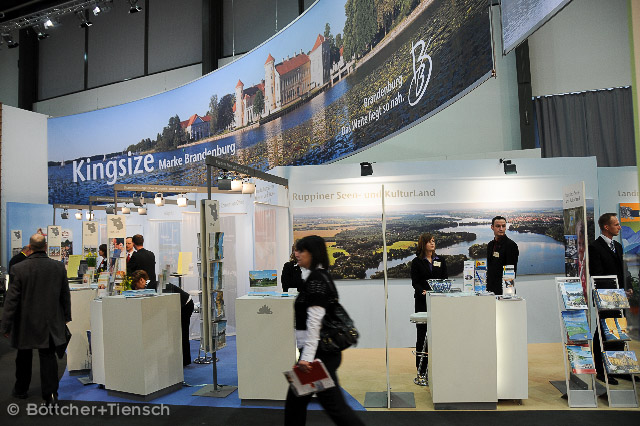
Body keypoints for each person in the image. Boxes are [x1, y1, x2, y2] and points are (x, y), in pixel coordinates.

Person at [284, 235, 364, 426]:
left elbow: (315, 323)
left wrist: (306, 358)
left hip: (318, 355)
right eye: (297, 250)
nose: (297, 254)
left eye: (302, 250)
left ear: (313, 253)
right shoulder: (318, 276)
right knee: (298, 404)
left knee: (335, 409)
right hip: (320, 354)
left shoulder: (317, 280)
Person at [1, 234, 71, 405]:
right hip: (50, 321)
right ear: (46, 246)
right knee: (48, 357)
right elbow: (64, 295)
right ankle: (50, 395)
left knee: (23, 356)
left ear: (30, 247)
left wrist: (6, 325)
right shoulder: (58, 267)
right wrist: (66, 317)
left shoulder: (18, 268)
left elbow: (12, 300)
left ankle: (21, 390)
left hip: (25, 322)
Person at [588, 212, 631, 385]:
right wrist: (615, 292)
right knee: (603, 334)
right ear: (606, 227)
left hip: (620, 298)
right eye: (616, 224)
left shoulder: (618, 246)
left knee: (618, 332)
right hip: (605, 297)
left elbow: (624, 270)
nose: (619, 227)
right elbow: (597, 275)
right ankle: (600, 370)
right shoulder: (595, 247)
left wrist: (628, 288)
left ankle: (619, 367)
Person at [131, 270, 194, 366]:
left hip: (185, 304)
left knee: (182, 333)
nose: (136, 289)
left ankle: (184, 361)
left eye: (136, 286)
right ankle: (182, 360)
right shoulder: (152, 285)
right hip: (181, 304)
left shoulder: (152, 287)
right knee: (179, 333)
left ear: (142, 280)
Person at [410, 233, 448, 378]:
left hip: (438, 301)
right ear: (423, 244)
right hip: (422, 302)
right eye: (429, 241)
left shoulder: (440, 260)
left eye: (434, 241)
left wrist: (440, 289)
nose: (433, 244)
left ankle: (436, 367)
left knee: (437, 335)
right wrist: (423, 292)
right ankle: (421, 369)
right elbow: (415, 282)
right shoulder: (417, 262)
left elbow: (444, 279)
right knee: (422, 334)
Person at [486, 216, 519, 295]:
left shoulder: (511, 245)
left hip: (505, 291)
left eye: (503, 226)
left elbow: (511, 271)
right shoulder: (490, 245)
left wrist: (507, 294)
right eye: (498, 226)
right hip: (490, 289)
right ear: (492, 227)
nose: (501, 229)